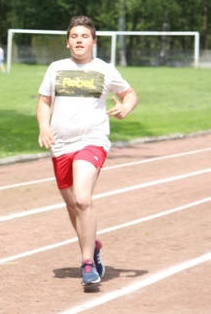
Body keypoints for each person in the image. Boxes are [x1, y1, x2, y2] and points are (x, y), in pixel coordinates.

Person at [36, 15, 138, 287]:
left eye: (84, 36)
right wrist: (44, 128)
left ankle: (87, 261)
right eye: (74, 36)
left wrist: (126, 107)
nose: (79, 40)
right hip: (60, 145)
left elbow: (130, 94)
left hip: (92, 141)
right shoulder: (56, 68)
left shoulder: (105, 69)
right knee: (72, 204)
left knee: (82, 199)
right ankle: (93, 244)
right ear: (67, 42)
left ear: (93, 42)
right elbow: (44, 102)